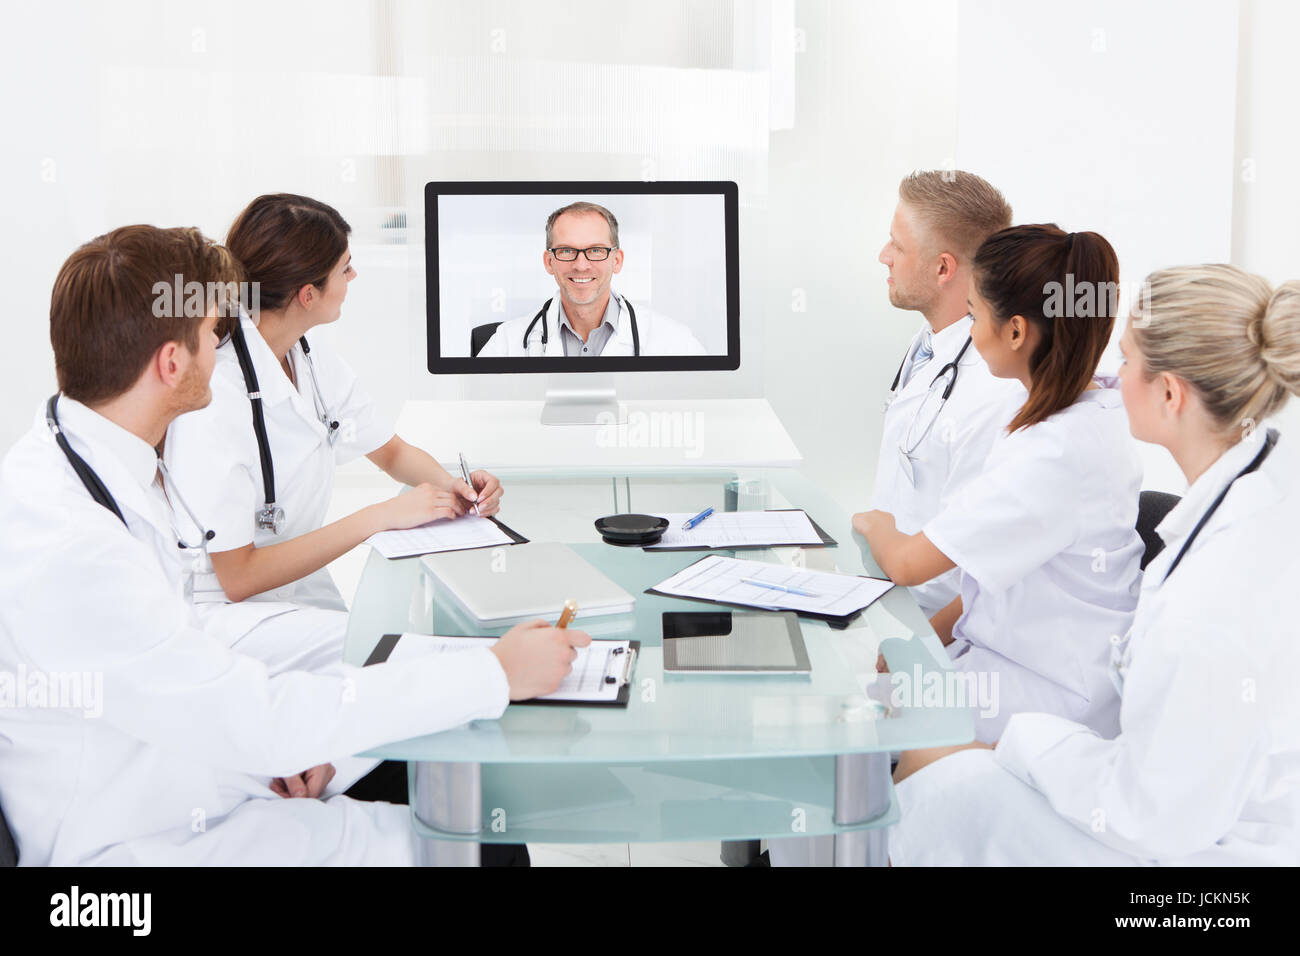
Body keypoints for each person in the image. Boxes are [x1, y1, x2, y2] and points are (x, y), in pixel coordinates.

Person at [0, 225, 588, 865]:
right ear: (172, 364)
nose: (225, 346)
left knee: (423, 755)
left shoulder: (87, 455)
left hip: (167, 761)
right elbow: (241, 703)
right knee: (472, 846)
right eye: (213, 335)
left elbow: (185, 664)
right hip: (125, 840)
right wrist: (493, 673)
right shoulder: (69, 545)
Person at [890, 264, 1300, 866]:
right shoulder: (1257, 488)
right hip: (1189, 802)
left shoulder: (1213, 597)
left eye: (1128, 360)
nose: (1112, 376)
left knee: (943, 790)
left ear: (1170, 394)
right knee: (942, 768)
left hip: (1206, 862)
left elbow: (1150, 815)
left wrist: (1023, 744)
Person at [165, 194, 501, 670]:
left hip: (291, 582)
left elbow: (389, 450)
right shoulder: (215, 395)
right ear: (308, 293)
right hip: (224, 610)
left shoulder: (305, 353)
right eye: (345, 268)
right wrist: (380, 516)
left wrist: (455, 487)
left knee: (398, 648)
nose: (354, 277)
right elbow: (236, 577)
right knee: (395, 659)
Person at [858, 225, 1144, 745]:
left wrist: (872, 523)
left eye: (973, 314)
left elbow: (905, 563)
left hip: (1050, 693)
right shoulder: (1085, 410)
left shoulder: (1053, 452)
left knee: (853, 724)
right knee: (866, 697)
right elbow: (988, 575)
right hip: (1017, 657)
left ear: (1015, 332)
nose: (968, 331)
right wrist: (926, 642)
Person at [853, 171, 1027, 618]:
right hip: (887, 595)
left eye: (897, 245)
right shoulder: (934, 342)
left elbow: (986, 565)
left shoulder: (995, 389)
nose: (883, 256)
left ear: (943, 268)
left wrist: (922, 645)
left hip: (938, 632)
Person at [476, 201, 707, 357]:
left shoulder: (676, 342)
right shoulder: (506, 343)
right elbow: (478, 421)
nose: (581, 265)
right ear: (549, 262)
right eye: (567, 251)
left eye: (596, 250)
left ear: (617, 260)